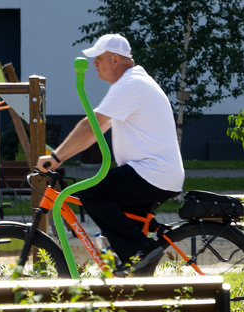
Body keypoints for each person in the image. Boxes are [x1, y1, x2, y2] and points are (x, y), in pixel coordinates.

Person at [36, 33, 185, 269]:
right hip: (154, 173)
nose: (94, 63)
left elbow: (89, 127)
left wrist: (56, 158)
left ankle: (142, 252)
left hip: (151, 173)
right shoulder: (132, 83)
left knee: (92, 193)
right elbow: (97, 129)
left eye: (99, 58)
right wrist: (62, 155)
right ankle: (134, 276)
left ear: (115, 59)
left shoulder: (130, 85)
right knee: (116, 237)